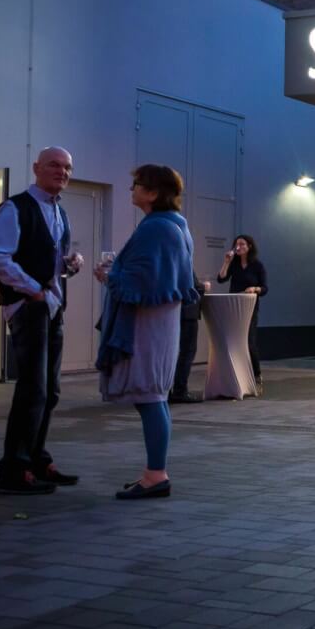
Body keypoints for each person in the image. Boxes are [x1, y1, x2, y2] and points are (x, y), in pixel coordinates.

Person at [0, 146, 84, 495]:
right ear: (36, 167)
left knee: (50, 391)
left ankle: (37, 460)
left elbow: (46, 256)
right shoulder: (16, 207)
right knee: (33, 390)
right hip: (29, 307)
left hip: (53, 306)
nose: (62, 172)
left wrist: (68, 264)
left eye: (68, 167)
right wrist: (32, 290)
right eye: (55, 165)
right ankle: (14, 470)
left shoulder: (60, 211)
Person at [95, 165, 198, 500]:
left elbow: (141, 282)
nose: (131, 190)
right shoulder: (175, 226)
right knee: (154, 398)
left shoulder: (157, 228)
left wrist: (109, 277)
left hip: (147, 326)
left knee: (150, 397)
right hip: (160, 325)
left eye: (136, 185)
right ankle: (154, 472)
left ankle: (156, 475)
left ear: (153, 192)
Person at [217, 234, 268, 388]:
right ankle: (238, 376)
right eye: (236, 244)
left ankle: (257, 375)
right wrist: (226, 262)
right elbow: (221, 278)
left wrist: (255, 288)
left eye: (242, 244)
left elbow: (265, 288)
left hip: (249, 308)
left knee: (249, 342)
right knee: (234, 341)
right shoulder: (234, 264)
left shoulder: (257, 265)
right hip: (234, 307)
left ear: (249, 247)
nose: (238, 247)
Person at [169, 273, 211, 403]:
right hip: (187, 312)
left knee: (178, 352)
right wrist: (204, 287)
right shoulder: (184, 258)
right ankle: (180, 390)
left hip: (175, 311)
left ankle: (170, 389)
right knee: (188, 351)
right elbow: (190, 286)